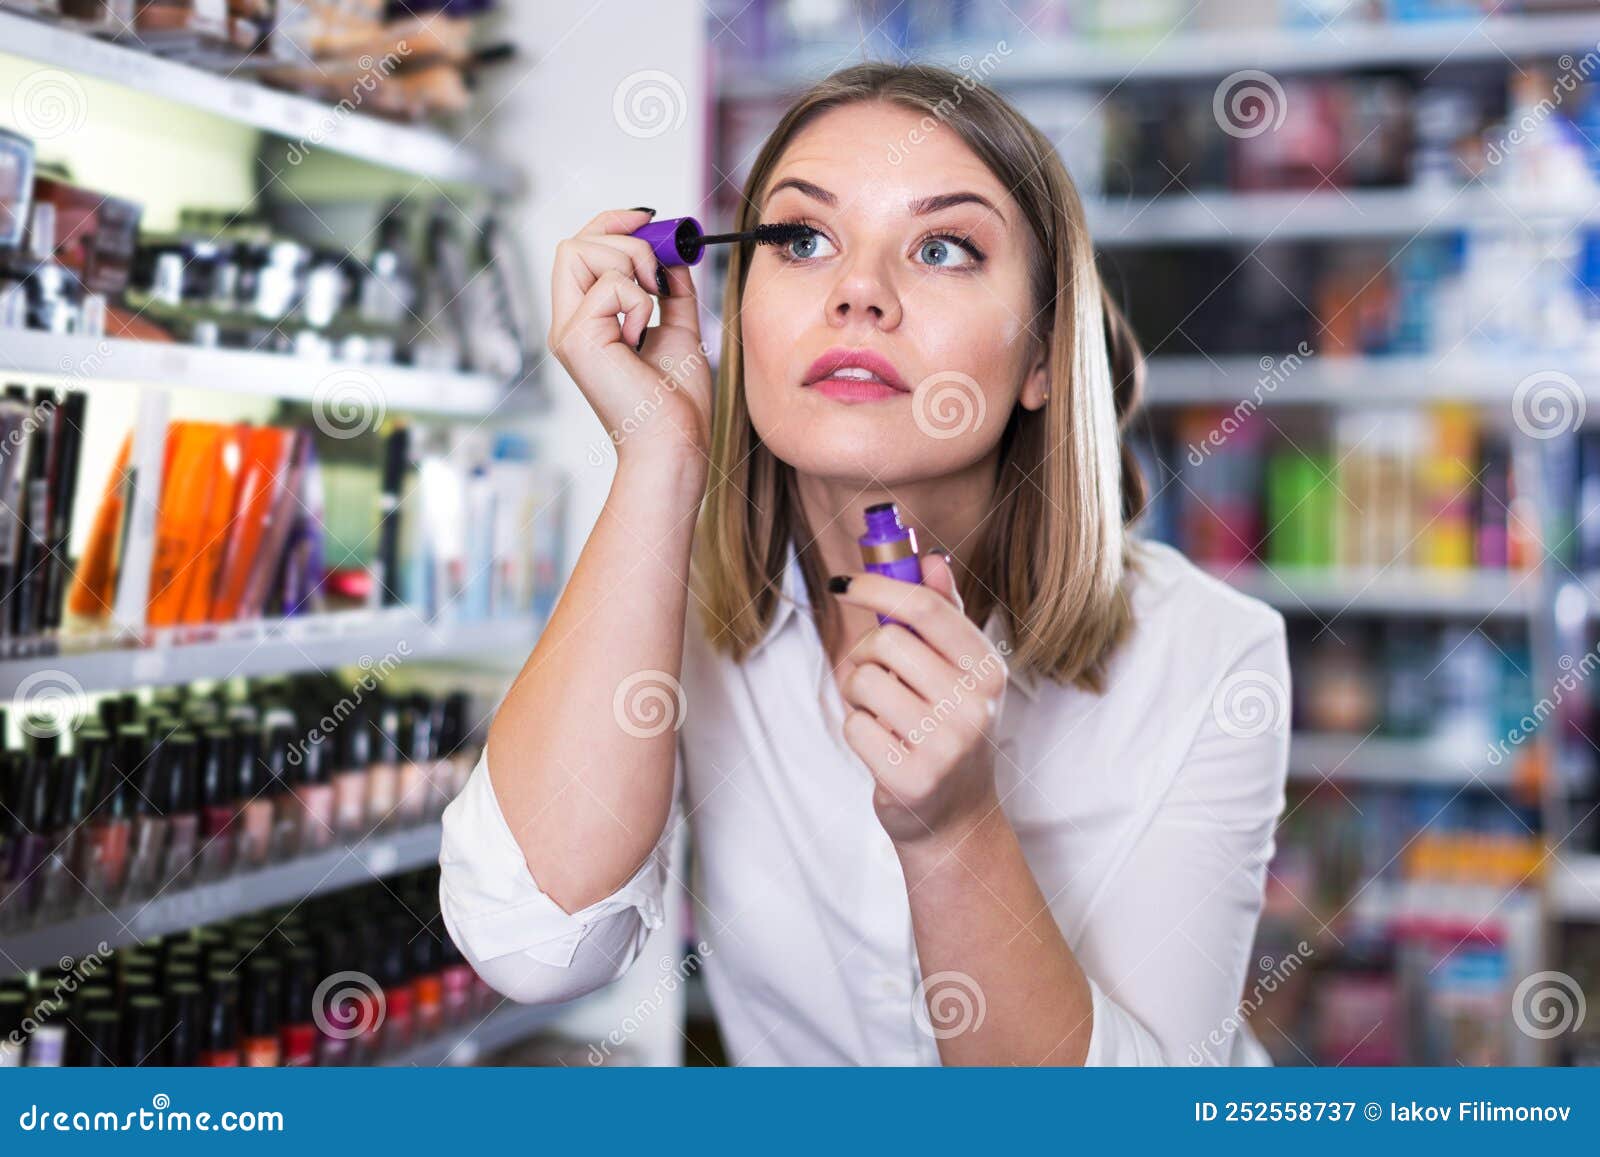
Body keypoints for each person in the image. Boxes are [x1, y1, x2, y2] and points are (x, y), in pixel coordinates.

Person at [439, 62, 1289, 1066]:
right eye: (802, 239)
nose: (857, 293)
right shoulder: (678, 617)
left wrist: (956, 828)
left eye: (941, 247)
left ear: (1041, 358)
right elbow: (531, 944)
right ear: (738, 309)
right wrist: (657, 455)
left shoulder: (1209, 656)